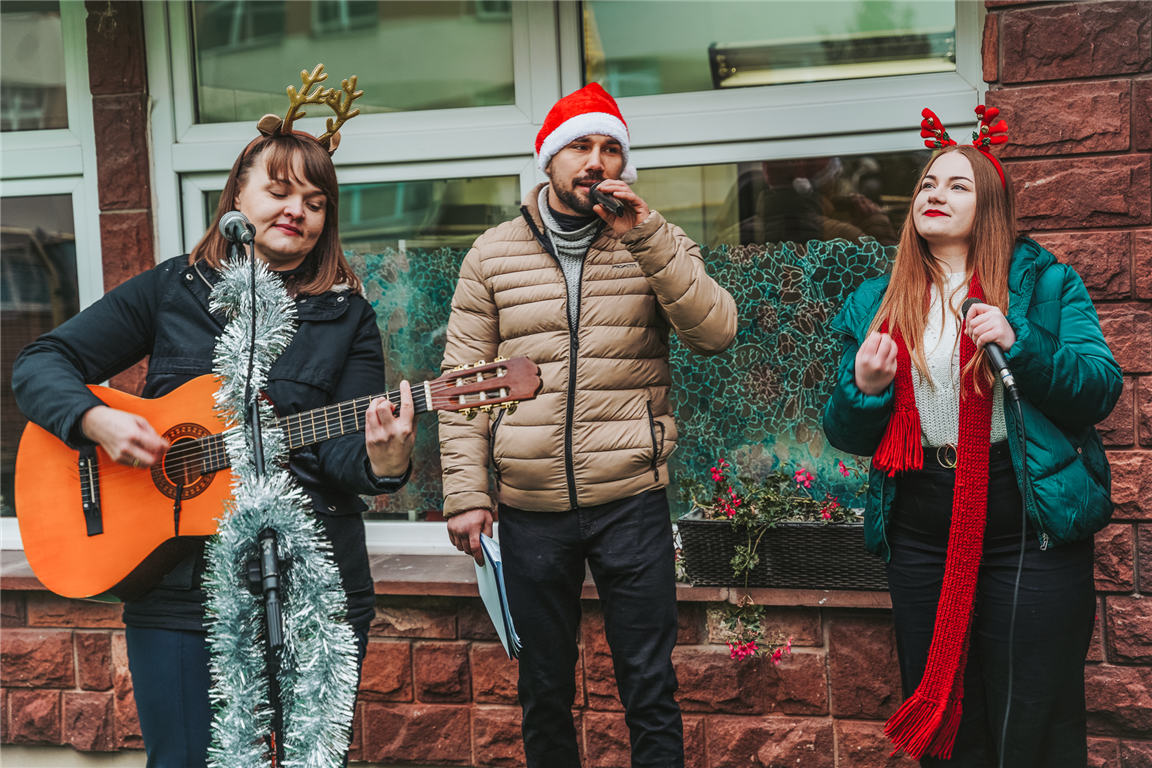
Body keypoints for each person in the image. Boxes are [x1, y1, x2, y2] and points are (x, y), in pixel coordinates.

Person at [11, 70, 415, 768]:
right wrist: (93, 421)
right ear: (238, 196)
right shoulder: (174, 289)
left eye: (316, 202)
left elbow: (348, 456)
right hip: (178, 589)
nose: (299, 211)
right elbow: (40, 362)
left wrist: (383, 461)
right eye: (280, 191)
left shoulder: (348, 314)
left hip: (313, 584)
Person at [438, 83, 737, 768]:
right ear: (548, 159)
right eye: (580, 145)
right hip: (529, 507)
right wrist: (467, 494)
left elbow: (717, 332)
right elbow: (459, 388)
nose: (596, 161)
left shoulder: (654, 240)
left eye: (611, 148)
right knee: (543, 688)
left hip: (629, 499)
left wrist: (649, 239)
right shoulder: (491, 255)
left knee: (650, 689)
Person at [823, 107, 1121, 767]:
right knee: (952, 721)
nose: (936, 194)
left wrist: (1022, 342)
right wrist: (865, 387)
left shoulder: (1045, 284)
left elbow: (1099, 389)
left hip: (1026, 520)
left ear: (990, 205)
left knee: (1033, 715)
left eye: (958, 185)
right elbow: (844, 432)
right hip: (924, 523)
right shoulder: (878, 298)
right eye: (929, 183)